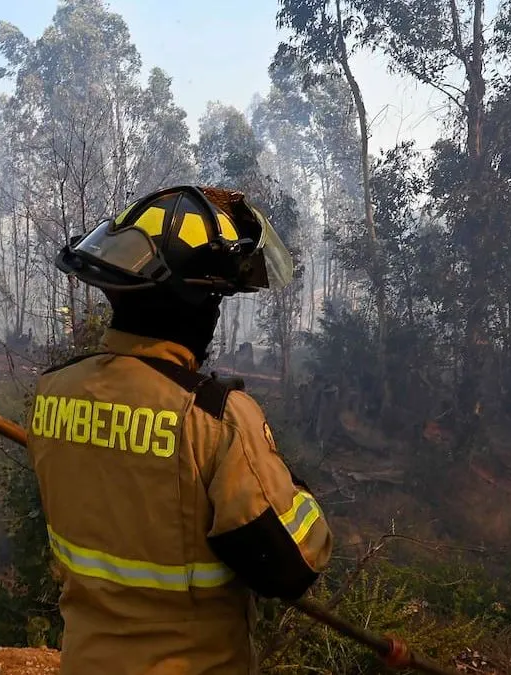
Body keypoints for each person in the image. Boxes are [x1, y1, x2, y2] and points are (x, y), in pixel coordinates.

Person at [29, 186, 334, 675]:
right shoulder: (217, 418)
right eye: (215, 296)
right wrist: (289, 486)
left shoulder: (52, 392)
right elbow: (292, 564)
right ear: (199, 304)